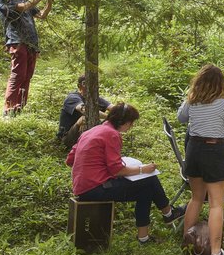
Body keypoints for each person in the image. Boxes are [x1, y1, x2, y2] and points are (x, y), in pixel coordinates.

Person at [67, 103, 186, 243]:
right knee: (150, 179)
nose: (131, 127)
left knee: (146, 188)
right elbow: (117, 169)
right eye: (131, 123)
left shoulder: (91, 131)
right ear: (125, 122)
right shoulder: (112, 134)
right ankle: (168, 214)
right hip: (95, 188)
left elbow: (70, 160)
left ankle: (145, 236)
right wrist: (143, 169)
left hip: (83, 186)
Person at [179, 64, 224, 255]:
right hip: (214, 150)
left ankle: (188, 242)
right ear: (220, 84)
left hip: (194, 149)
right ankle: (216, 252)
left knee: (196, 198)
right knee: (216, 204)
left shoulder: (192, 101)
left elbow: (181, 118)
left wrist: (189, 97)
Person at [0, 0, 54, 117]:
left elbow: (42, 15)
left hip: (31, 43)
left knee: (27, 76)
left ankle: (19, 108)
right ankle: (8, 110)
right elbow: (22, 7)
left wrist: (49, 0)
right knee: (18, 75)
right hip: (17, 40)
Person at [57, 75, 112, 148]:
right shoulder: (72, 98)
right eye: (85, 83)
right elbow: (86, 111)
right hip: (68, 137)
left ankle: (101, 144)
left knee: (109, 121)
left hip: (87, 136)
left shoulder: (95, 98)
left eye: (93, 83)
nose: (89, 86)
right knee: (84, 119)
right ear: (79, 86)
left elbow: (114, 108)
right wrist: (109, 117)